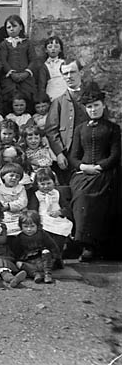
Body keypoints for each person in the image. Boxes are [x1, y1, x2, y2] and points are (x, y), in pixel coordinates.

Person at [69, 88, 121, 261]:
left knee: (98, 197)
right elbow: (73, 156)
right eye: (90, 107)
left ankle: (95, 247)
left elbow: (115, 155)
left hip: (105, 173)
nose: (93, 109)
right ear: (85, 109)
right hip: (83, 173)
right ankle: (84, 244)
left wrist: (98, 167)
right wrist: (83, 167)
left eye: (96, 105)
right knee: (82, 195)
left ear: (103, 105)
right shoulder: (80, 129)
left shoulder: (113, 128)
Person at [44, 60, 90, 185]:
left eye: (73, 72)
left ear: (81, 72)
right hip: (68, 154)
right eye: (65, 73)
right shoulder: (58, 102)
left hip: (90, 151)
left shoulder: (92, 98)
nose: (69, 76)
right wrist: (59, 153)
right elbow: (51, 130)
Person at [0, 15, 37, 114]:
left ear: (20, 27)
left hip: (26, 78)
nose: (12, 29)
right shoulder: (4, 44)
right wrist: (11, 73)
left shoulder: (27, 43)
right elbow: (3, 60)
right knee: (10, 99)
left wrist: (26, 73)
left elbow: (33, 60)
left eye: (14, 26)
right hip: (10, 78)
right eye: (9, 27)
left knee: (27, 99)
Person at [9, 210, 59, 284]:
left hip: (43, 261)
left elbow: (53, 247)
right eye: (25, 226)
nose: (29, 229)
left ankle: (47, 274)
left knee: (46, 252)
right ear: (21, 226)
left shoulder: (43, 234)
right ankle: (35, 274)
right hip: (30, 263)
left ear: (37, 225)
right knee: (18, 263)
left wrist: (55, 259)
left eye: (32, 226)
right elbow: (17, 253)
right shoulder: (19, 238)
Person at [0, 163, 28, 236]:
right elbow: (1, 203)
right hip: (6, 215)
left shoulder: (21, 188)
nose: (14, 178)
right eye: (11, 175)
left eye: (17, 177)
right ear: (3, 176)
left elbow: (23, 202)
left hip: (20, 213)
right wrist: (5, 207)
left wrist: (9, 206)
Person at [37, 36, 67, 102]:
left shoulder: (64, 63)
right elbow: (42, 84)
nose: (53, 49)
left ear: (60, 49)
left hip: (65, 92)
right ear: (46, 50)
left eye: (56, 47)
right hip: (51, 94)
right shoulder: (44, 66)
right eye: (50, 47)